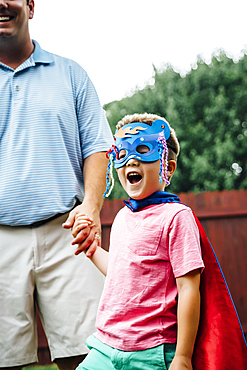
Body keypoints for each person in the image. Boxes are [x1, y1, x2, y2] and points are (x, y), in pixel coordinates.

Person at [0, 1, 113, 369]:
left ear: (31, 7)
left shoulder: (71, 74)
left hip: (69, 236)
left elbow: (98, 146)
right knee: (6, 361)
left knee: (91, 356)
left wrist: (91, 207)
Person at [72, 113, 205, 370]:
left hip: (151, 352)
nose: (132, 159)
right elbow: (122, 271)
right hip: (105, 346)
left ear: (167, 168)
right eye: (122, 154)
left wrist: (183, 356)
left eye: (143, 150)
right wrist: (91, 248)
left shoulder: (177, 217)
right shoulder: (123, 216)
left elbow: (189, 289)